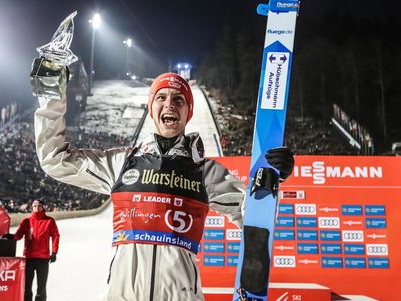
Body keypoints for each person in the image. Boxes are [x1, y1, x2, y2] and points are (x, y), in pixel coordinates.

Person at [31, 59, 294, 301]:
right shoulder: (122, 163)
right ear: (151, 107)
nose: (169, 104)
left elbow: (256, 218)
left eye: (179, 100)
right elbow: (55, 159)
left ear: (188, 111)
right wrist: (51, 95)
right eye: (162, 97)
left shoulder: (204, 172)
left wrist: (270, 181)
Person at [6, 199, 60, 301]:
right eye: (34, 206)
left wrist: (54, 252)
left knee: (41, 288)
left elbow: (56, 236)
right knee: (27, 287)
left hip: (43, 259)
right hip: (29, 258)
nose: (36, 207)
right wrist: (11, 237)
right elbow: (18, 235)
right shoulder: (26, 221)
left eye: (39, 205)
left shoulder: (50, 221)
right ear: (32, 207)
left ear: (43, 207)